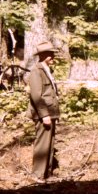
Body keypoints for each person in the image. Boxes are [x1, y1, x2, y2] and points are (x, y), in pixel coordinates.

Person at [26, 41, 60, 183]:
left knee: (49, 143)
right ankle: (36, 175)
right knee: (42, 144)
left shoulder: (46, 70)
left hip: (50, 112)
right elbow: (36, 95)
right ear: (43, 55)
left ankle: (46, 173)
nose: (53, 56)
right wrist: (44, 115)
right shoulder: (36, 71)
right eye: (50, 54)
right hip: (44, 114)